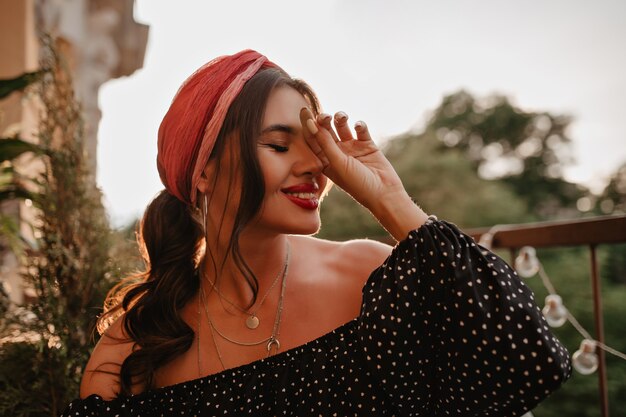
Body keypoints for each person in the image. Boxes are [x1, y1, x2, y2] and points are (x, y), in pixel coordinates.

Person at [61, 50, 571, 416]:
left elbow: (528, 363)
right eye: (280, 146)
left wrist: (390, 199)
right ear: (203, 173)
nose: (315, 165)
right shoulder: (137, 342)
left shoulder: (370, 276)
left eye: (315, 144)